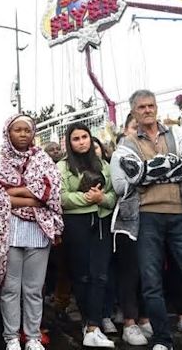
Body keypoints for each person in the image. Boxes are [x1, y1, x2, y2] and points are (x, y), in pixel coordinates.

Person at [110, 89, 182, 350]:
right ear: (133, 112)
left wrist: (147, 170)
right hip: (146, 216)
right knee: (151, 281)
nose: (147, 110)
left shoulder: (176, 135)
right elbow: (127, 181)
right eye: (141, 107)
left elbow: (179, 167)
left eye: (151, 105)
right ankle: (163, 340)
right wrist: (169, 167)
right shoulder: (126, 145)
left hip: (180, 213)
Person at [0, 114, 63, 350]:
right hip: (7, 231)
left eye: (26, 131)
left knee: (33, 289)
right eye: (17, 130)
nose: (22, 134)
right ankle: (10, 337)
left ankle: (33, 337)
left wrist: (12, 194)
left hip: (38, 231)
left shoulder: (43, 159)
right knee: (10, 288)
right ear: (7, 133)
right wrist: (32, 196)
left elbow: (51, 192)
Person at [57, 122, 116, 348]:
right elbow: (61, 196)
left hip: (101, 222)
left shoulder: (102, 163)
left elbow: (113, 194)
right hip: (76, 224)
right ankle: (88, 326)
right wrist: (88, 200)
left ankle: (94, 326)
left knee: (100, 275)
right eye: (76, 138)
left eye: (85, 137)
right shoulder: (62, 166)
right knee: (82, 275)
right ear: (69, 142)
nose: (81, 142)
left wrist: (103, 200)